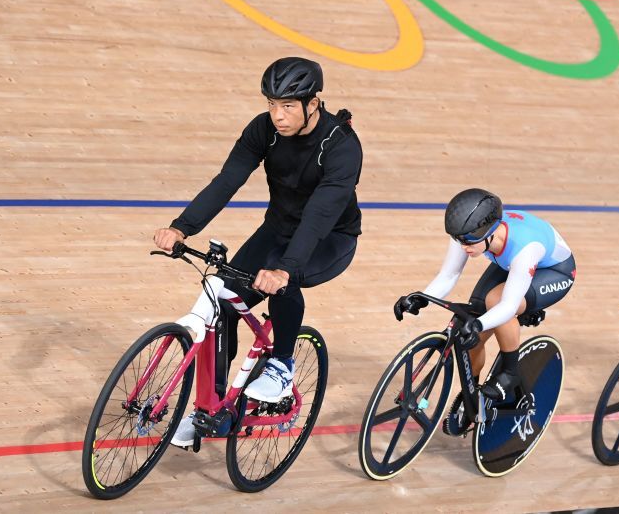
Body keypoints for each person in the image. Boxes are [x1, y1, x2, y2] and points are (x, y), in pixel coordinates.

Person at [153, 57, 362, 446]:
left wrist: (286, 269)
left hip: (330, 238)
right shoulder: (263, 130)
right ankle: (208, 409)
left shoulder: (341, 147)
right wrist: (183, 225)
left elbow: (318, 215)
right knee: (224, 303)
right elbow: (227, 180)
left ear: (312, 104)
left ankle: (282, 363)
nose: (277, 115)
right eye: (271, 103)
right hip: (277, 229)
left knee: (283, 279)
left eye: (287, 106)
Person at [395, 188, 576, 435]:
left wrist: (480, 323)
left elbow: (508, 306)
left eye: (468, 242)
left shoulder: (525, 247)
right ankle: (473, 400)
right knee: (470, 333)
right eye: (459, 240)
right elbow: (448, 275)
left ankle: (510, 372)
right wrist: (421, 298)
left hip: (554, 271)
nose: (463, 247)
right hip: (508, 264)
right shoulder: (468, 232)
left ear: (489, 232)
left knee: (494, 302)